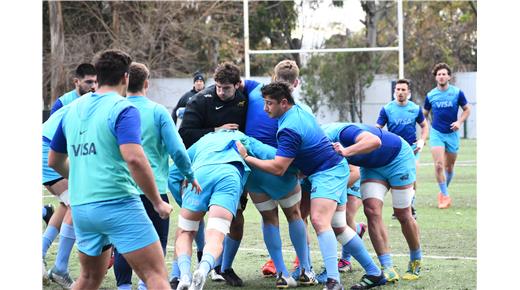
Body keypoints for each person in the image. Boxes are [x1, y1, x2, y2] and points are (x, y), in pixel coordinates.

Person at [236, 82, 386, 290]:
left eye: (269, 103)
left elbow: (279, 168)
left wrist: (247, 158)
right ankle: (374, 273)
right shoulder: (296, 111)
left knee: (318, 220)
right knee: (339, 227)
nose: (265, 108)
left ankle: (334, 282)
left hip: (328, 172)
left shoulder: (288, 127)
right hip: (328, 170)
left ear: (284, 103)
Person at [49, 49, 172, 290]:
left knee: (88, 279)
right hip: (118, 204)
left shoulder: (72, 109)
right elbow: (134, 159)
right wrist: (157, 202)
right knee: (155, 276)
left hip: (82, 209)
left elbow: (54, 160)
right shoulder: (123, 108)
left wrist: (81, 178)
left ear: (98, 75)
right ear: (125, 77)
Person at [112, 62, 200, 290]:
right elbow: (178, 150)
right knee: (156, 242)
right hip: (153, 191)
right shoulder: (157, 111)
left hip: (121, 188)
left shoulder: (114, 110)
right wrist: (189, 175)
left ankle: (123, 286)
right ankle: (145, 285)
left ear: (125, 81)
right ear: (147, 83)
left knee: (124, 242)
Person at [323, 122, 422, 282]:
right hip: (372, 167)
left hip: (398, 158)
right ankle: (387, 267)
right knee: (371, 211)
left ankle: (415, 258)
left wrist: (345, 151)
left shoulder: (342, 132)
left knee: (403, 214)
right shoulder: (316, 147)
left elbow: (375, 141)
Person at [178, 61, 248, 286]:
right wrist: (215, 132)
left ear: (237, 85)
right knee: (193, 224)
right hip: (201, 170)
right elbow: (185, 134)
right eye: (217, 86)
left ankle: (223, 267)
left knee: (235, 221)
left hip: (231, 169)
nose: (220, 91)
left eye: (226, 88)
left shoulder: (245, 99)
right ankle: (184, 272)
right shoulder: (200, 101)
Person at [242, 60, 312, 283]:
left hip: (252, 169)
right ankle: (306, 270)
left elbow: (235, 82)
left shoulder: (255, 92)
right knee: (294, 215)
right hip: (280, 170)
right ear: (297, 82)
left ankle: (282, 273)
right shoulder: (299, 108)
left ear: (273, 77)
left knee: (268, 217)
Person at [170, 130, 258, 290]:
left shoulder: (203, 140)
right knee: (215, 237)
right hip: (228, 176)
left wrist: (183, 202)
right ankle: (203, 269)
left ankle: (184, 275)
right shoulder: (242, 138)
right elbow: (270, 154)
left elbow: (173, 174)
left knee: (185, 233)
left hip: (199, 175)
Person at [376, 79, 429, 218]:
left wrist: (422, 141)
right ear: (394, 92)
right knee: (397, 178)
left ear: (408, 92)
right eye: (398, 89)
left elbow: (424, 126)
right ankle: (399, 208)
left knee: (412, 176)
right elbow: (378, 129)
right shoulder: (387, 109)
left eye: (403, 89)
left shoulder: (415, 109)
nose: (400, 92)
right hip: (394, 149)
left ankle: (410, 206)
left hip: (412, 148)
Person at [423, 63, 471, 209]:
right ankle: (445, 196)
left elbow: (467, 109)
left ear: (449, 76)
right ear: (436, 77)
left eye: (444, 74)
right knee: (438, 165)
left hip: (452, 134)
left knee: (449, 167)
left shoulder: (457, 93)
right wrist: (424, 131)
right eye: (439, 74)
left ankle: (443, 192)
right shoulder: (430, 95)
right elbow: (423, 115)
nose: (441, 76)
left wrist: (459, 121)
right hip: (437, 133)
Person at [42, 104, 78, 289]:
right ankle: (60, 268)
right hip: (49, 149)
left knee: (66, 203)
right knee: (76, 203)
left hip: (48, 145)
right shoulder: (94, 101)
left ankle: (40, 252)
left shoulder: (90, 99)